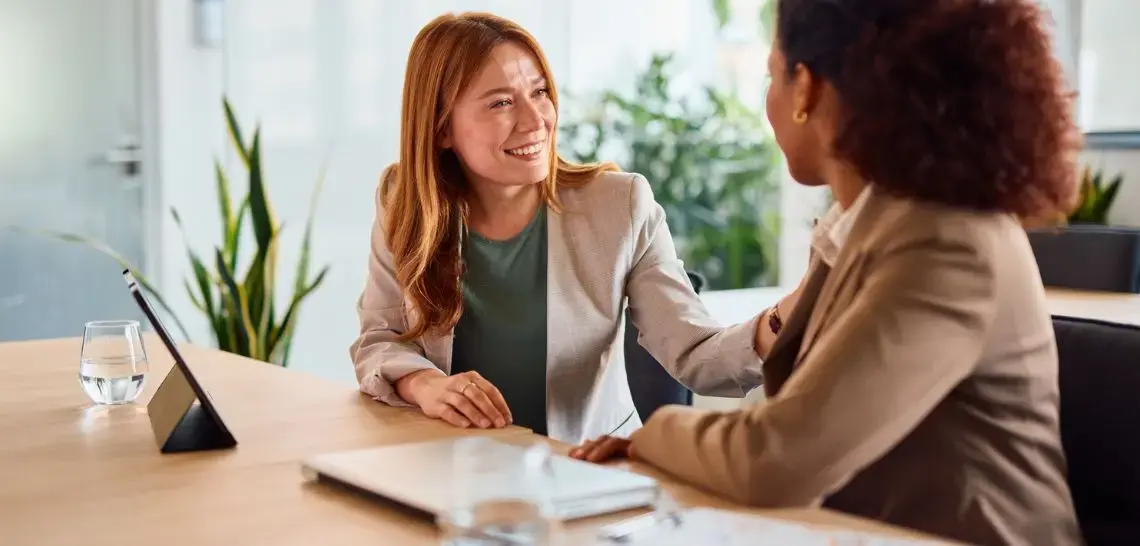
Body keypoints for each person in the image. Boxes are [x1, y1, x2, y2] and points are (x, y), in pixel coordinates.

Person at [571, 0, 1084, 544]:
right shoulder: (867, 223)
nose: (766, 97)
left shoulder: (944, 244)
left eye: (772, 74)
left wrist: (652, 433)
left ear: (807, 90)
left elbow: (775, 459)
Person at [348, 12, 803, 445]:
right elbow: (379, 340)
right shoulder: (405, 202)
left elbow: (699, 356)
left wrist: (789, 316)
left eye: (540, 91)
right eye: (501, 102)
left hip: (585, 474)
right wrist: (424, 383)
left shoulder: (620, 205)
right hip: (448, 469)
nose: (535, 120)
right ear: (442, 128)